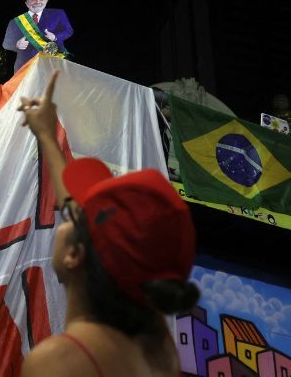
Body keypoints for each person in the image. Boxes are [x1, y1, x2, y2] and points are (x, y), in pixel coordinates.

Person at [18, 70, 199, 377]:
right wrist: (48, 136)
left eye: (76, 219)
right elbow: (75, 208)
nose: (69, 213)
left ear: (76, 254)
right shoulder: (159, 352)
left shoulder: (59, 362)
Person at [2, 0, 73, 74]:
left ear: (46, 1)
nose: (37, 2)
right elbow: (6, 44)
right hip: (25, 66)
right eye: (34, 0)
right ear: (26, 3)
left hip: (53, 62)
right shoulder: (15, 21)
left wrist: (55, 37)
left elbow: (69, 30)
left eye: (41, 0)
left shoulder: (58, 13)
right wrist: (16, 44)